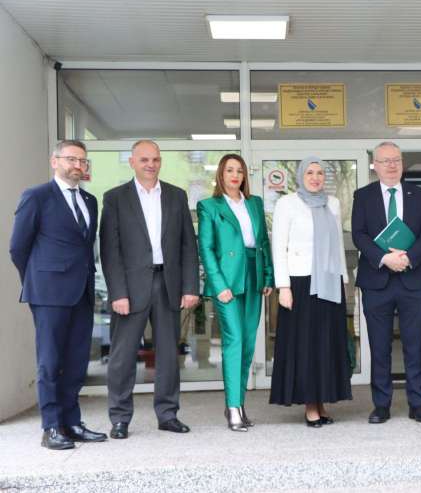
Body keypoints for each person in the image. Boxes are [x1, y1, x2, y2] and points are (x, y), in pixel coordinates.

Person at [9, 140, 108, 450]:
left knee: (77, 361)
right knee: (50, 362)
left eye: (82, 161)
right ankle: (51, 427)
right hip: (49, 293)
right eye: (71, 159)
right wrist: (37, 280)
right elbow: (18, 247)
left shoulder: (90, 200)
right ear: (55, 161)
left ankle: (72, 422)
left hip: (82, 292)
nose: (77, 165)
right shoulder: (37, 196)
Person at [100, 140, 199, 439]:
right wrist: (118, 292)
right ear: (132, 162)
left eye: (155, 159)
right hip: (129, 289)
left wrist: (190, 286)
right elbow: (110, 250)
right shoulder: (115, 198)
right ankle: (120, 418)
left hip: (168, 284)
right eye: (144, 159)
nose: (150, 164)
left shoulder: (176, 196)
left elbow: (188, 245)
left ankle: (168, 414)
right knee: (122, 356)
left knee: (168, 354)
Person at [352, 142, 421, 424]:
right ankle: (381, 405)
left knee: (415, 346)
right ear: (374, 165)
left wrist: (409, 257)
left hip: (412, 280)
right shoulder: (363, 196)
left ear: (402, 163)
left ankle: (418, 404)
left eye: (396, 160)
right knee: (380, 347)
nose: (391, 165)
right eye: (385, 161)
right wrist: (384, 258)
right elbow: (359, 234)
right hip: (376, 281)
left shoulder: (419, 194)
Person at [269, 157, 352, 427]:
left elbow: (337, 245)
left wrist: (343, 280)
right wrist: (283, 286)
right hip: (300, 282)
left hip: (329, 281)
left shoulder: (333, 203)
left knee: (326, 344)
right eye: (310, 173)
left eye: (320, 173)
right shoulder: (287, 204)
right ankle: (310, 405)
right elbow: (278, 246)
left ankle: (322, 400)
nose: (315, 178)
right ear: (301, 176)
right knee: (305, 345)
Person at [197, 154, 274, 432]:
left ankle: (239, 404)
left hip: (253, 275)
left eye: (239, 171)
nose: (235, 175)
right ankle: (232, 408)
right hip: (227, 280)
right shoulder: (209, 206)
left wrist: (268, 275)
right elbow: (206, 249)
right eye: (229, 170)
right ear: (221, 174)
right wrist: (219, 286)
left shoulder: (255, 203)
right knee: (235, 340)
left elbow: (263, 242)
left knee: (248, 344)